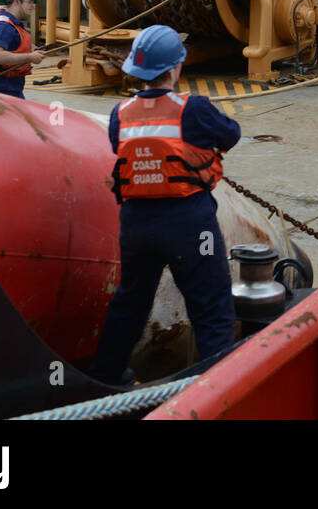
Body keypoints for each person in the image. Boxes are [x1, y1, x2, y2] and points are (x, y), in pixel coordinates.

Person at [88, 25, 240, 385]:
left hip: (136, 224)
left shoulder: (119, 113)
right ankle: (217, 393)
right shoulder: (195, 109)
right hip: (188, 222)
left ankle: (103, 379)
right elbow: (230, 134)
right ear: (175, 69)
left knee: (130, 304)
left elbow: (119, 148)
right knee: (211, 308)